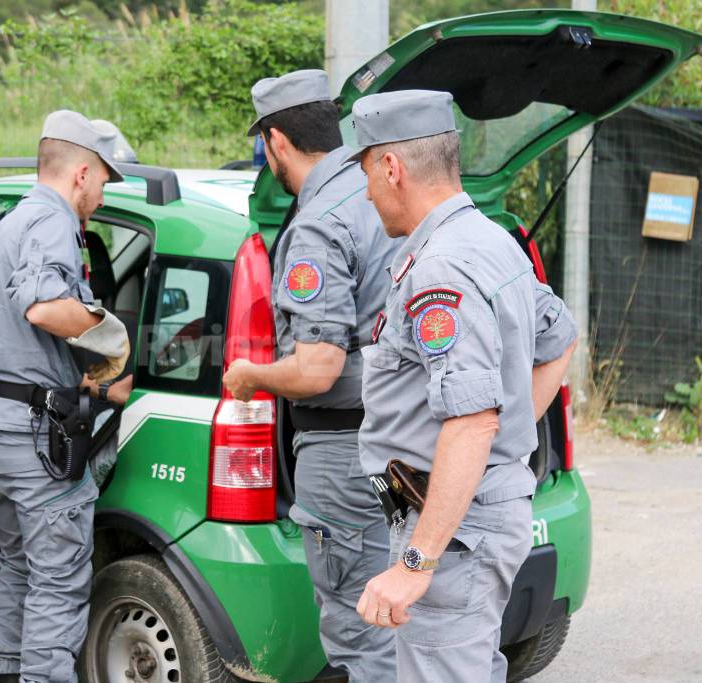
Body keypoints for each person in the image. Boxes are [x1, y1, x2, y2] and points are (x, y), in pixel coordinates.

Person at [350, 90, 577, 681]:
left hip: (455, 529)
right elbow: (561, 341)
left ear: (391, 168)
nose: (368, 195)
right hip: (468, 514)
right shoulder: (493, 241)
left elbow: (472, 421)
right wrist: (506, 439)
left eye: (366, 174)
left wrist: (417, 562)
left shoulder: (442, 266)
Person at [221, 69, 399, 681]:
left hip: (344, 453)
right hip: (406, 443)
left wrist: (249, 374)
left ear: (275, 141)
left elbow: (319, 367)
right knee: (400, 613)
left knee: (359, 634)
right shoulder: (383, 196)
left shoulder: (320, 223)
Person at [0, 109, 134, 683]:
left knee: (21, 563)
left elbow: (14, 330)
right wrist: (115, 339)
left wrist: (79, 372)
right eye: (106, 182)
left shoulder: (7, 221)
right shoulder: (52, 221)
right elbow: (44, 306)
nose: (104, 197)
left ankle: (7, 671)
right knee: (59, 577)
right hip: (32, 435)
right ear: (81, 172)